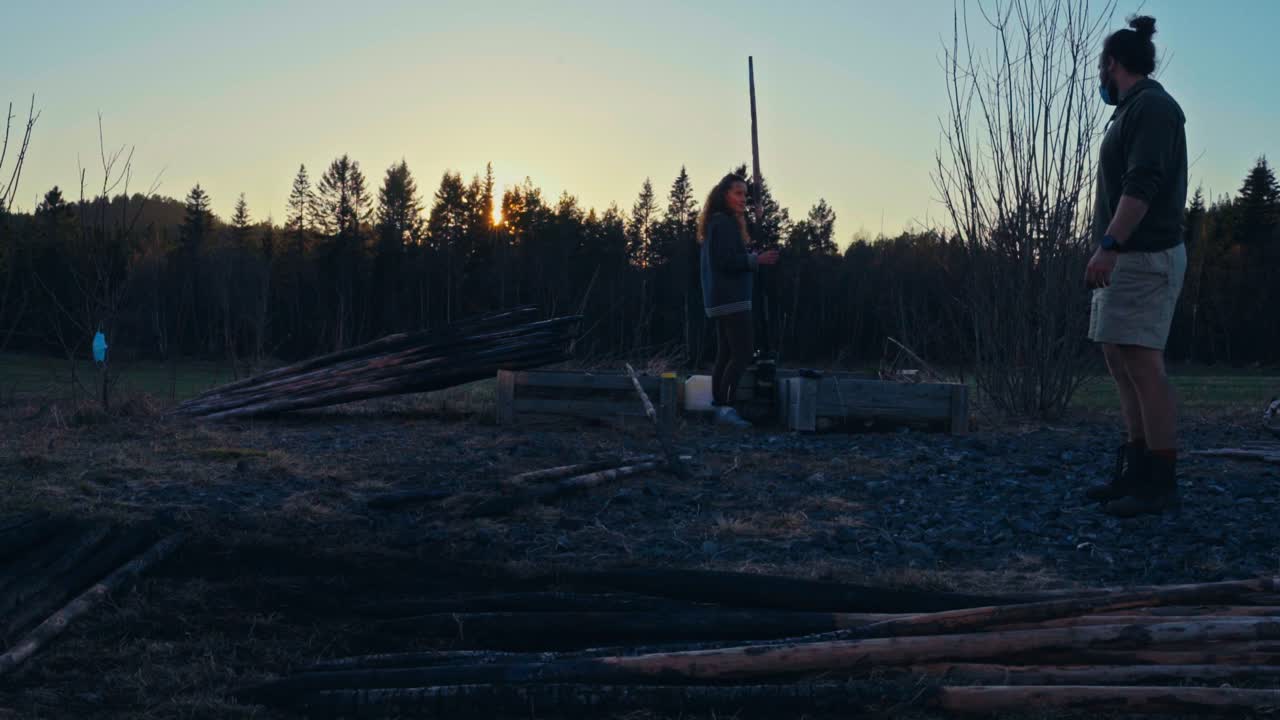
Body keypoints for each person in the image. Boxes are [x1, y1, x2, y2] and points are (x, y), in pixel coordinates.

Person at [1082, 16, 1188, 517]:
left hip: (1143, 256)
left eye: (1101, 66)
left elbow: (1142, 184)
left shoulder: (1153, 108)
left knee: (1143, 363)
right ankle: (1136, 466)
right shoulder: (1130, 111)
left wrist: (1109, 243)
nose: (1100, 76)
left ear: (1113, 64)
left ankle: (1159, 481)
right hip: (1125, 257)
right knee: (1118, 357)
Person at [698, 173, 779, 427]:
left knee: (726, 353)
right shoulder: (722, 224)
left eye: (745, 194)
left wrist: (755, 223)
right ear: (725, 195)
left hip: (723, 298)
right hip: (731, 298)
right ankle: (726, 407)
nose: (743, 199)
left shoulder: (722, 222)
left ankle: (719, 405)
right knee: (742, 353)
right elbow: (724, 261)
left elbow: (731, 254)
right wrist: (756, 260)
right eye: (738, 193)